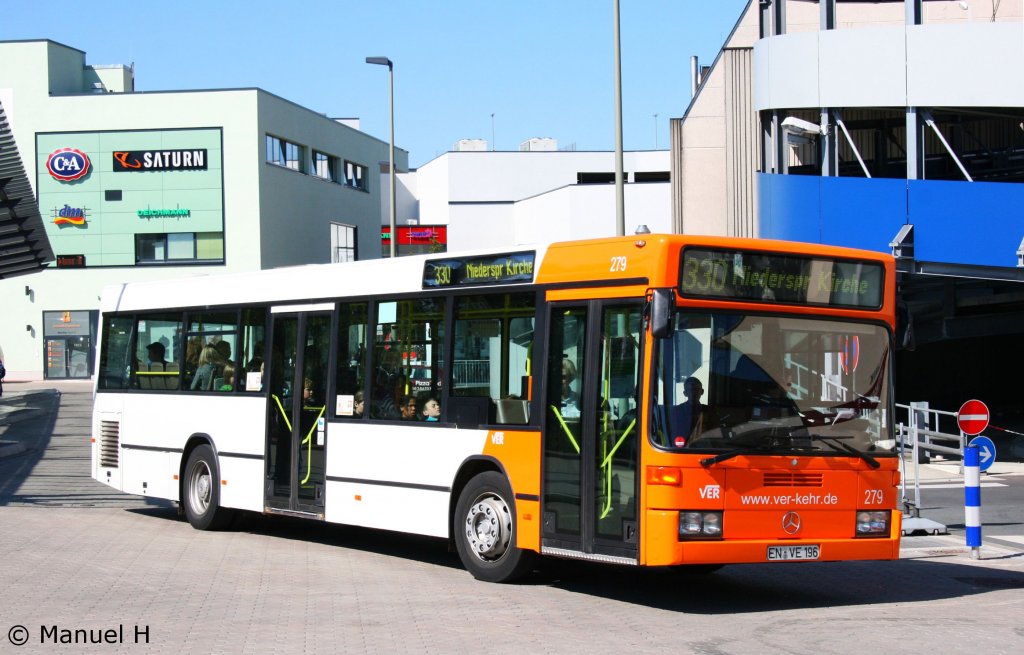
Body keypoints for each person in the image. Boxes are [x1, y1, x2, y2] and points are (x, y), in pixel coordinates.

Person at [671, 377, 706, 445]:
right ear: (685, 393)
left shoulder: (708, 411)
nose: (694, 393)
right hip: (683, 446)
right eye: (690, 390)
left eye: (697, 389)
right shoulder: (677, 411)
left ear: (702, 392)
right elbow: (674, 433)